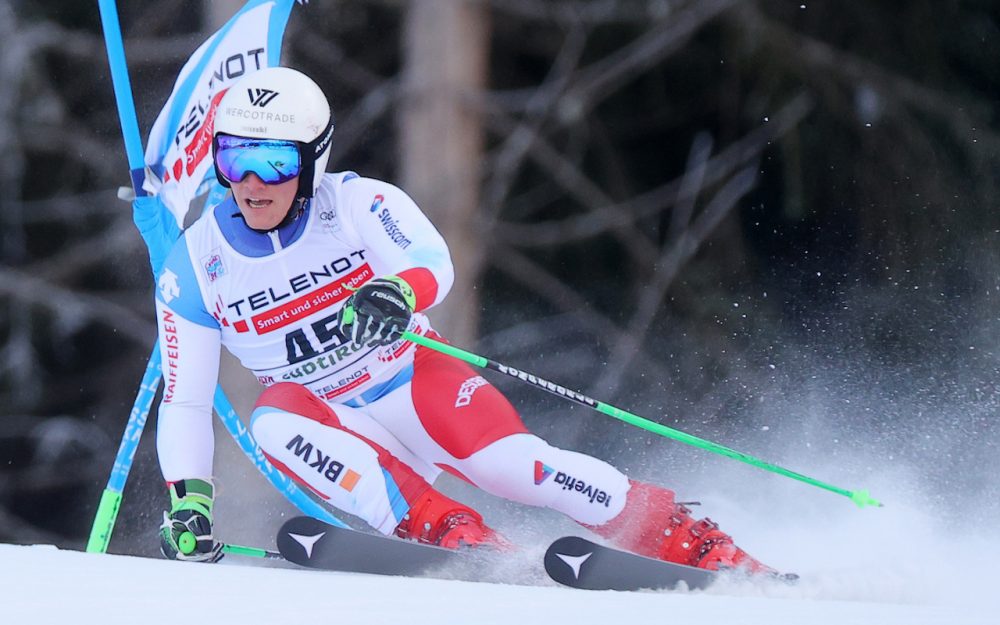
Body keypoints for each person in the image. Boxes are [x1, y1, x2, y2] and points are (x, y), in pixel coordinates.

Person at [154, 66, 775, 574]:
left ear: (312, 161)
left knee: (511, 468)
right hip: (335, 424)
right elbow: (183, 402)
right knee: (272, 419)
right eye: (235, 161)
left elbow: (430, 259)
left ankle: (680, 536)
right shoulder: (197, 263)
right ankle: (449, 532)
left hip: (412, 380)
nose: (254, 184)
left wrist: (398, 291)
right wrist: (190, 502)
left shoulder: (355, 203)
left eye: (275, 163)